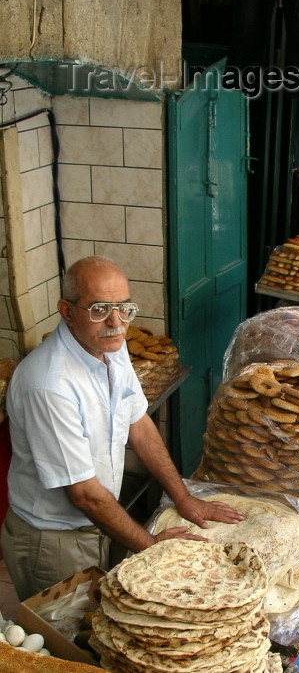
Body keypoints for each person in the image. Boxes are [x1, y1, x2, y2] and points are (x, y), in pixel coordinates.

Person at [1, 256, 244, 600]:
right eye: (99, 309)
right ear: (67, 311)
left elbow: (139, 424)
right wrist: (150, 544)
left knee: (103, 624)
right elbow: (84, 493)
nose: (116, 322)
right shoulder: (49, 383)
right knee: (65, 644)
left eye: (124, 308)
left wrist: (183, 497)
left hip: (98, 523)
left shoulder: (110, 350)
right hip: (54, 541)